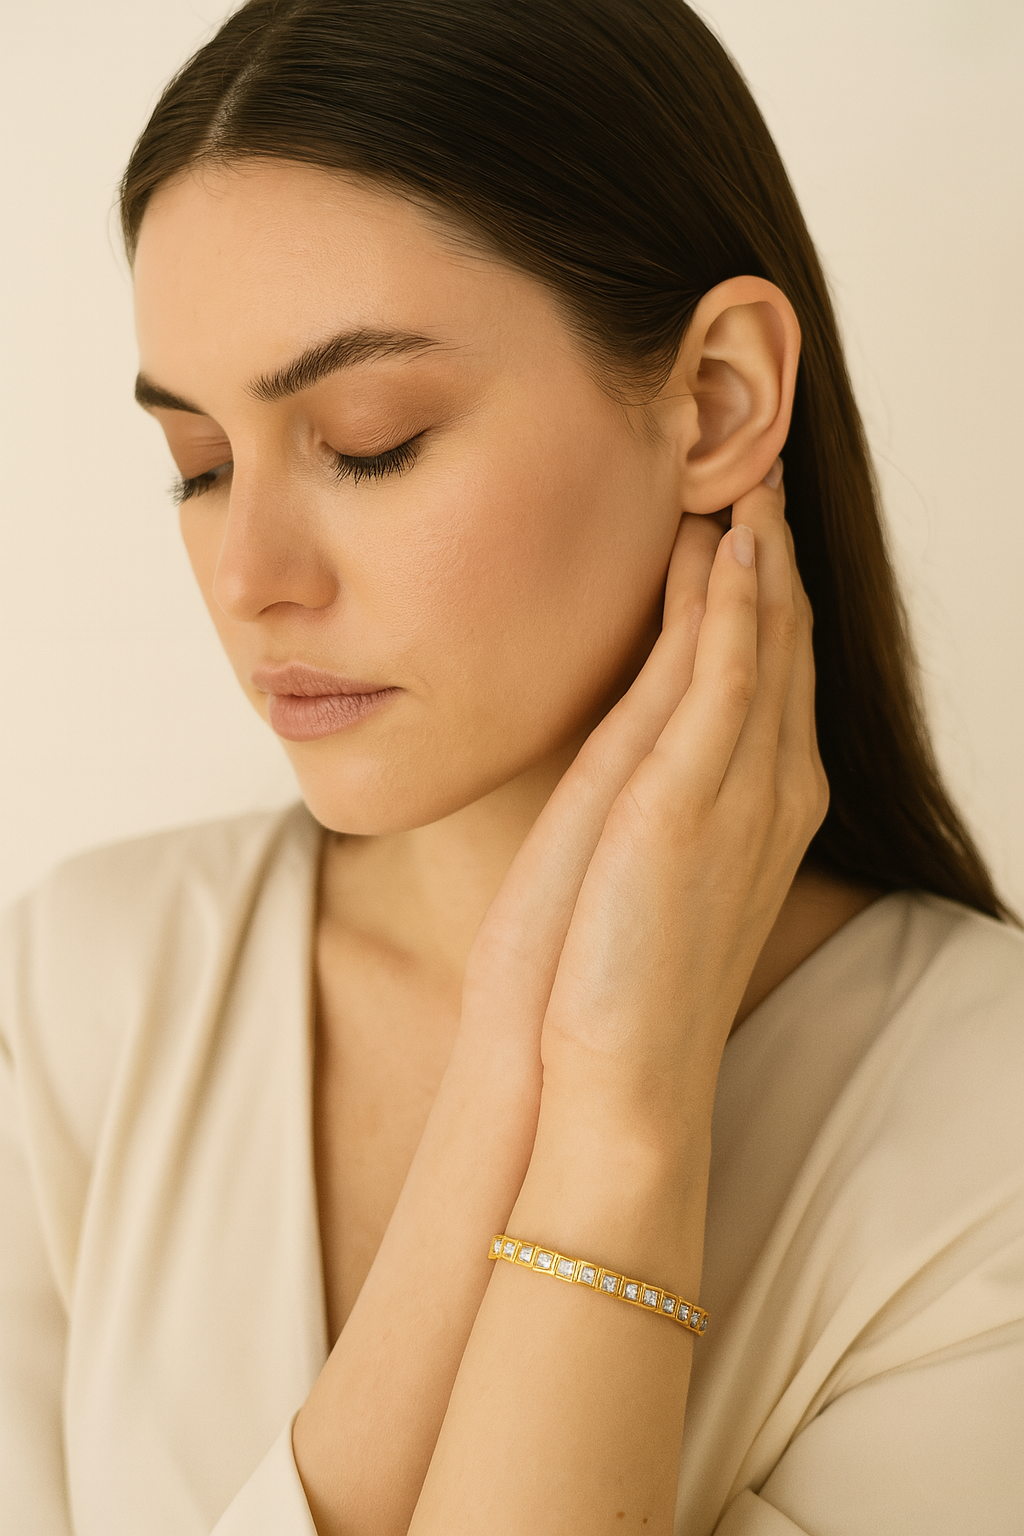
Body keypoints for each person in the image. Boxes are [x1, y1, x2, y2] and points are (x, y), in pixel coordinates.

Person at [2, 0, 1022, 1532]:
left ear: (720, 398)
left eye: (369, 438)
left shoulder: (987, 1125)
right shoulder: (82, 992)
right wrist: (512, 1091)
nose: (250, 576)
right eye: (199, 469)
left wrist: (624, 1117)